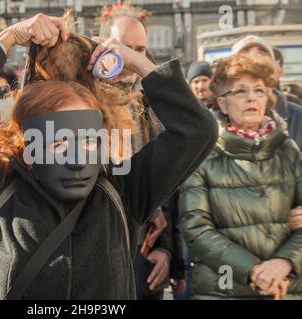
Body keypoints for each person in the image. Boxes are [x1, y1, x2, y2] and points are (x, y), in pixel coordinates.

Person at [0, 13, 217, 299]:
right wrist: (10, 37)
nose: (77, 159)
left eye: (88, 141)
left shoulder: (122, 192)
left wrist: (136, 61)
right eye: (58, 142)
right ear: (27, 143)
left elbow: (196, 129)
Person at [179, 53, 302, 299]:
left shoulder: (288, 149)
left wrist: (284, 263)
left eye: (259, 90)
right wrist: (253, 270)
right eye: (240, 91)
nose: (251, 97)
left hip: (286, 288)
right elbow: (195, 227)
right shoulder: (202, 153)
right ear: (222, 103)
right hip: (223, 291)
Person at [99, 13, 186, 299]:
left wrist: (165, 249)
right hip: (96, 249)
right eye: (124, 46)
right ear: (102, 44)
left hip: (144, 253)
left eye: (140, 50)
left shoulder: (153, 103)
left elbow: (170, 182)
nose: (132, 57)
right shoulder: (80, 100)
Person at [232, 35, 302, 149]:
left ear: (275, 70)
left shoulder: (298, 118)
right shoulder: (215, 123)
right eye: (244, 56)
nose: (254, 60)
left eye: (262, 54)